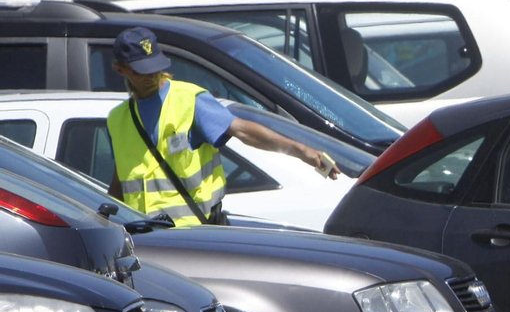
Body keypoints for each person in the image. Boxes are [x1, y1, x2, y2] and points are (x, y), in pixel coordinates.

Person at [106, 26, 339, 227]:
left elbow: (244, 130)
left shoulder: (189, 100)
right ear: (120, 69)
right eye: (142, 70)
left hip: (196, 235)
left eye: (155, 67)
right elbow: (120, 182)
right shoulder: (118, 119)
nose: (151, 76)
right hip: (147, 242)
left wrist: (301, 151)